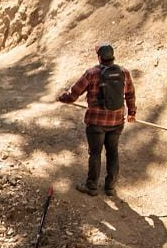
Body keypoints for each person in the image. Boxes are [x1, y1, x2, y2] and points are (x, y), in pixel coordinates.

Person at [54, 44, 135, 195]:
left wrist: (61, 98)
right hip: (117, 121)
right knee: (113, 153)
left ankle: (91, 187)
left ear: (99, 57)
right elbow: (130, 94)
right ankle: (110, 187)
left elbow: (73, 94)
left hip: (96, 123)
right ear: (112, 57)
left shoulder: (91, 73)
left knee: (95, 153)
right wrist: (132, 113)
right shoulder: (124, 72)